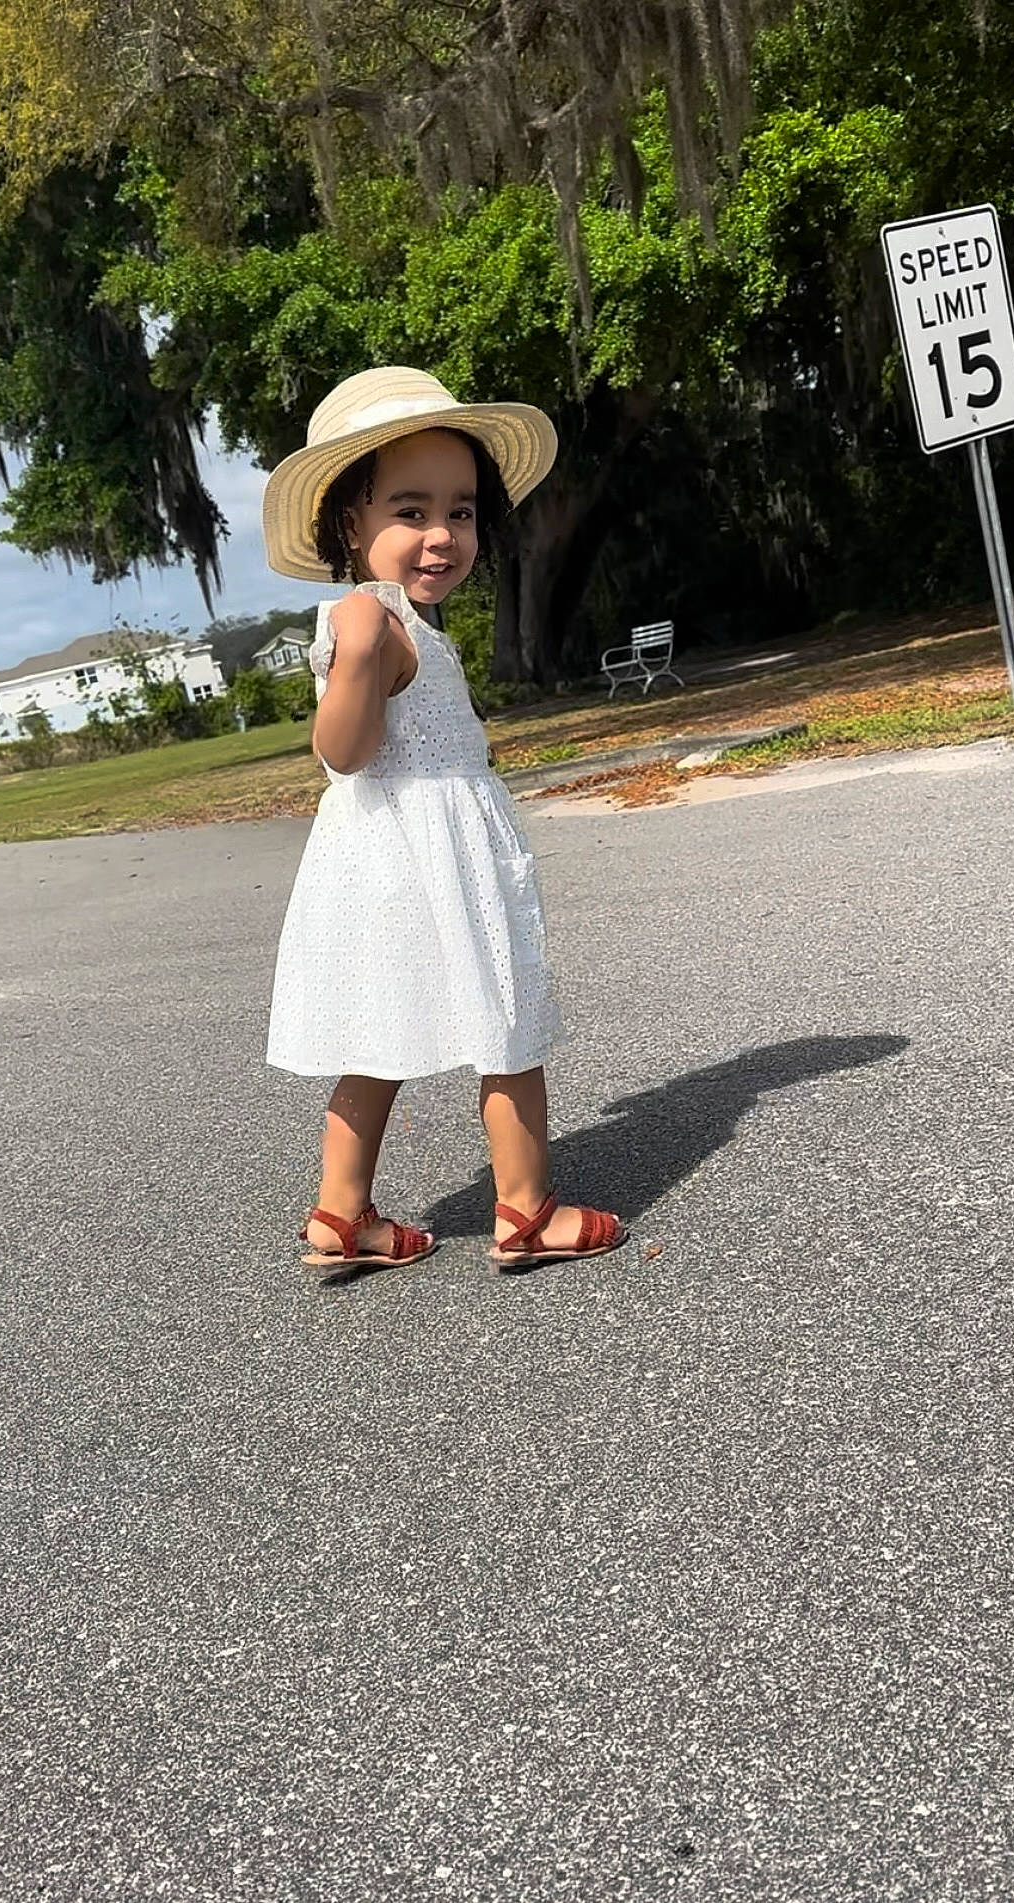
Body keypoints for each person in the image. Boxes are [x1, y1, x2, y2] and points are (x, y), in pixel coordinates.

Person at [261, 366, 627, 1274]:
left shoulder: (410, 625)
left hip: (392, 860)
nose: (441, 534)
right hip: (427, 860)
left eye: (460, 511)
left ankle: (342, 1213)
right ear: (350, 524)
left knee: (375, 1036)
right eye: (410, 510)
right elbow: (342, 751)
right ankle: (527, 1209)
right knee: (507, 1024)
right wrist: (353, 656)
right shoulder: (372, 622)